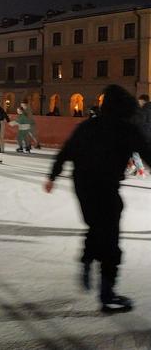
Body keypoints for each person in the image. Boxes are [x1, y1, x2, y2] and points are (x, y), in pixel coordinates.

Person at [45, 85, 151, 313]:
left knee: (96, 226)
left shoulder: (87, 126)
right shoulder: (127, 129)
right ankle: (107, 293)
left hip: (83, 186)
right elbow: (147, 152)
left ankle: (87, 258)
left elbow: (66, 151)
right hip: (105, 187)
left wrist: (52, 176)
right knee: (110, 238)